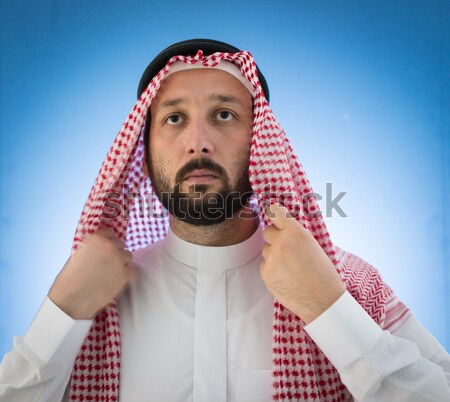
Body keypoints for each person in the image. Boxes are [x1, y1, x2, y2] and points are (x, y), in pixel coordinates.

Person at [0, 39, 449, 402]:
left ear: (260, 141)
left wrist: (329, 310)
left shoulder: (350, 285)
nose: (199, 143)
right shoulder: (89, 304)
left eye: (224, 115)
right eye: (174, 118)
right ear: (144, 148)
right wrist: (62, 316)